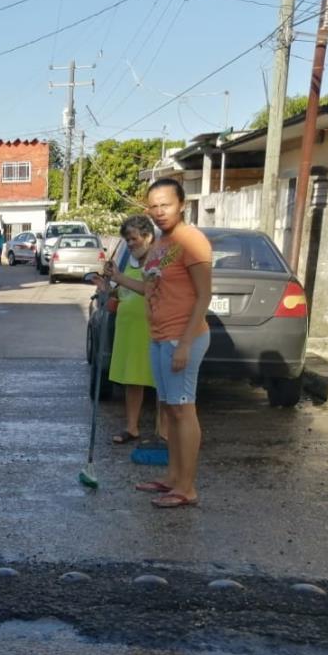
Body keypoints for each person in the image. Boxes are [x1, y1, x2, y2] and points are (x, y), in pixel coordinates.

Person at [135, 177, 213, 508]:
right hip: (160, 336)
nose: (159, 211)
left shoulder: (192, 241)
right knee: (169, 409)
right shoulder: (162, 245)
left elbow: (204, 295)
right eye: (153, 206)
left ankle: (187, 488)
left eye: (165, 204)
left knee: (183, 409)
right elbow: (150, 289)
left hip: (183, 336)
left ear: (181, 204)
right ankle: (172, 478)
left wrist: (183, 344)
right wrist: (114, 278)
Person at [100, 214, 167, 447]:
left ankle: (164, 431)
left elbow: (147, 289)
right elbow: (124, 292)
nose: (130, 244)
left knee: (160, 380)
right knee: (132, 379)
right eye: (127, 240)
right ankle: (132, 427)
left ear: (148, 237)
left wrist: (119, 277)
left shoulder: (158, 260)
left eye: (133, 239)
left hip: (151, 328)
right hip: (129, 328)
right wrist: (107, 287)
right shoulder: (132, 260)